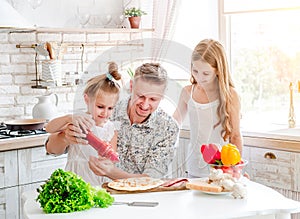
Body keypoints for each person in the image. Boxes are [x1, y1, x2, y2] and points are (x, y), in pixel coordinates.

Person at [88, 63, 180, 180]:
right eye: (140, 96)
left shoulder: (168, 127)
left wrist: (111, 172)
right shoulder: (109, 109)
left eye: (153, 99)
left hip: (146, 196)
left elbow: (150, 179)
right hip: (106, 192)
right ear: (131, 86)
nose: (145, 105)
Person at [173, 39, 242, 178]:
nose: (199, 77)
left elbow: (235, 136)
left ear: (217, 70)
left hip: (223, 169)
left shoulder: (231, 95)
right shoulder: (187, 92)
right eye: (195, 71)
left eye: (205, 73)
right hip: (194, 168)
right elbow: (174, 122)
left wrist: (236, 169)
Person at [45, 62, 121, 186]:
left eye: (110, 108)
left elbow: (111, 161)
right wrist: (68, 118)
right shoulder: (79, 120)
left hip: (99, 182)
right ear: (87, 99)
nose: (105, 113)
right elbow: (49, 128)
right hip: (76, 179)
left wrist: (107, 159)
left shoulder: (110, 128)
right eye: (100, 106)